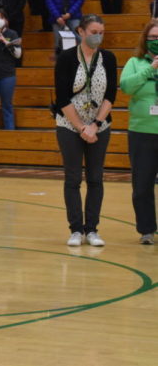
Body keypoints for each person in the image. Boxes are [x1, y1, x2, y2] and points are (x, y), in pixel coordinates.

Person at [53, 14, 116, 247]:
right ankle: (76, 229)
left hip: (99, 125)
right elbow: (61, 97)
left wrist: (95, 125)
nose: (98, 36)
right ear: (81, 32)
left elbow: (111, 96)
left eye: (101, 32)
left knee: (95, 178)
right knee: (72, 178)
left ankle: (92, 229)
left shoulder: (108, 58)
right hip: (70, 125)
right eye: (93, 32)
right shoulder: (67, 58)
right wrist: (81, 127)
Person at [120, 20, 158, 244]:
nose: (156, 41)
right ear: (145, 40)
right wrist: (150, 69)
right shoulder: (135, 62)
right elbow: (127, 87)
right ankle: (146, 230)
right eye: (152, 38)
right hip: (141, 132)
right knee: (142, 184)